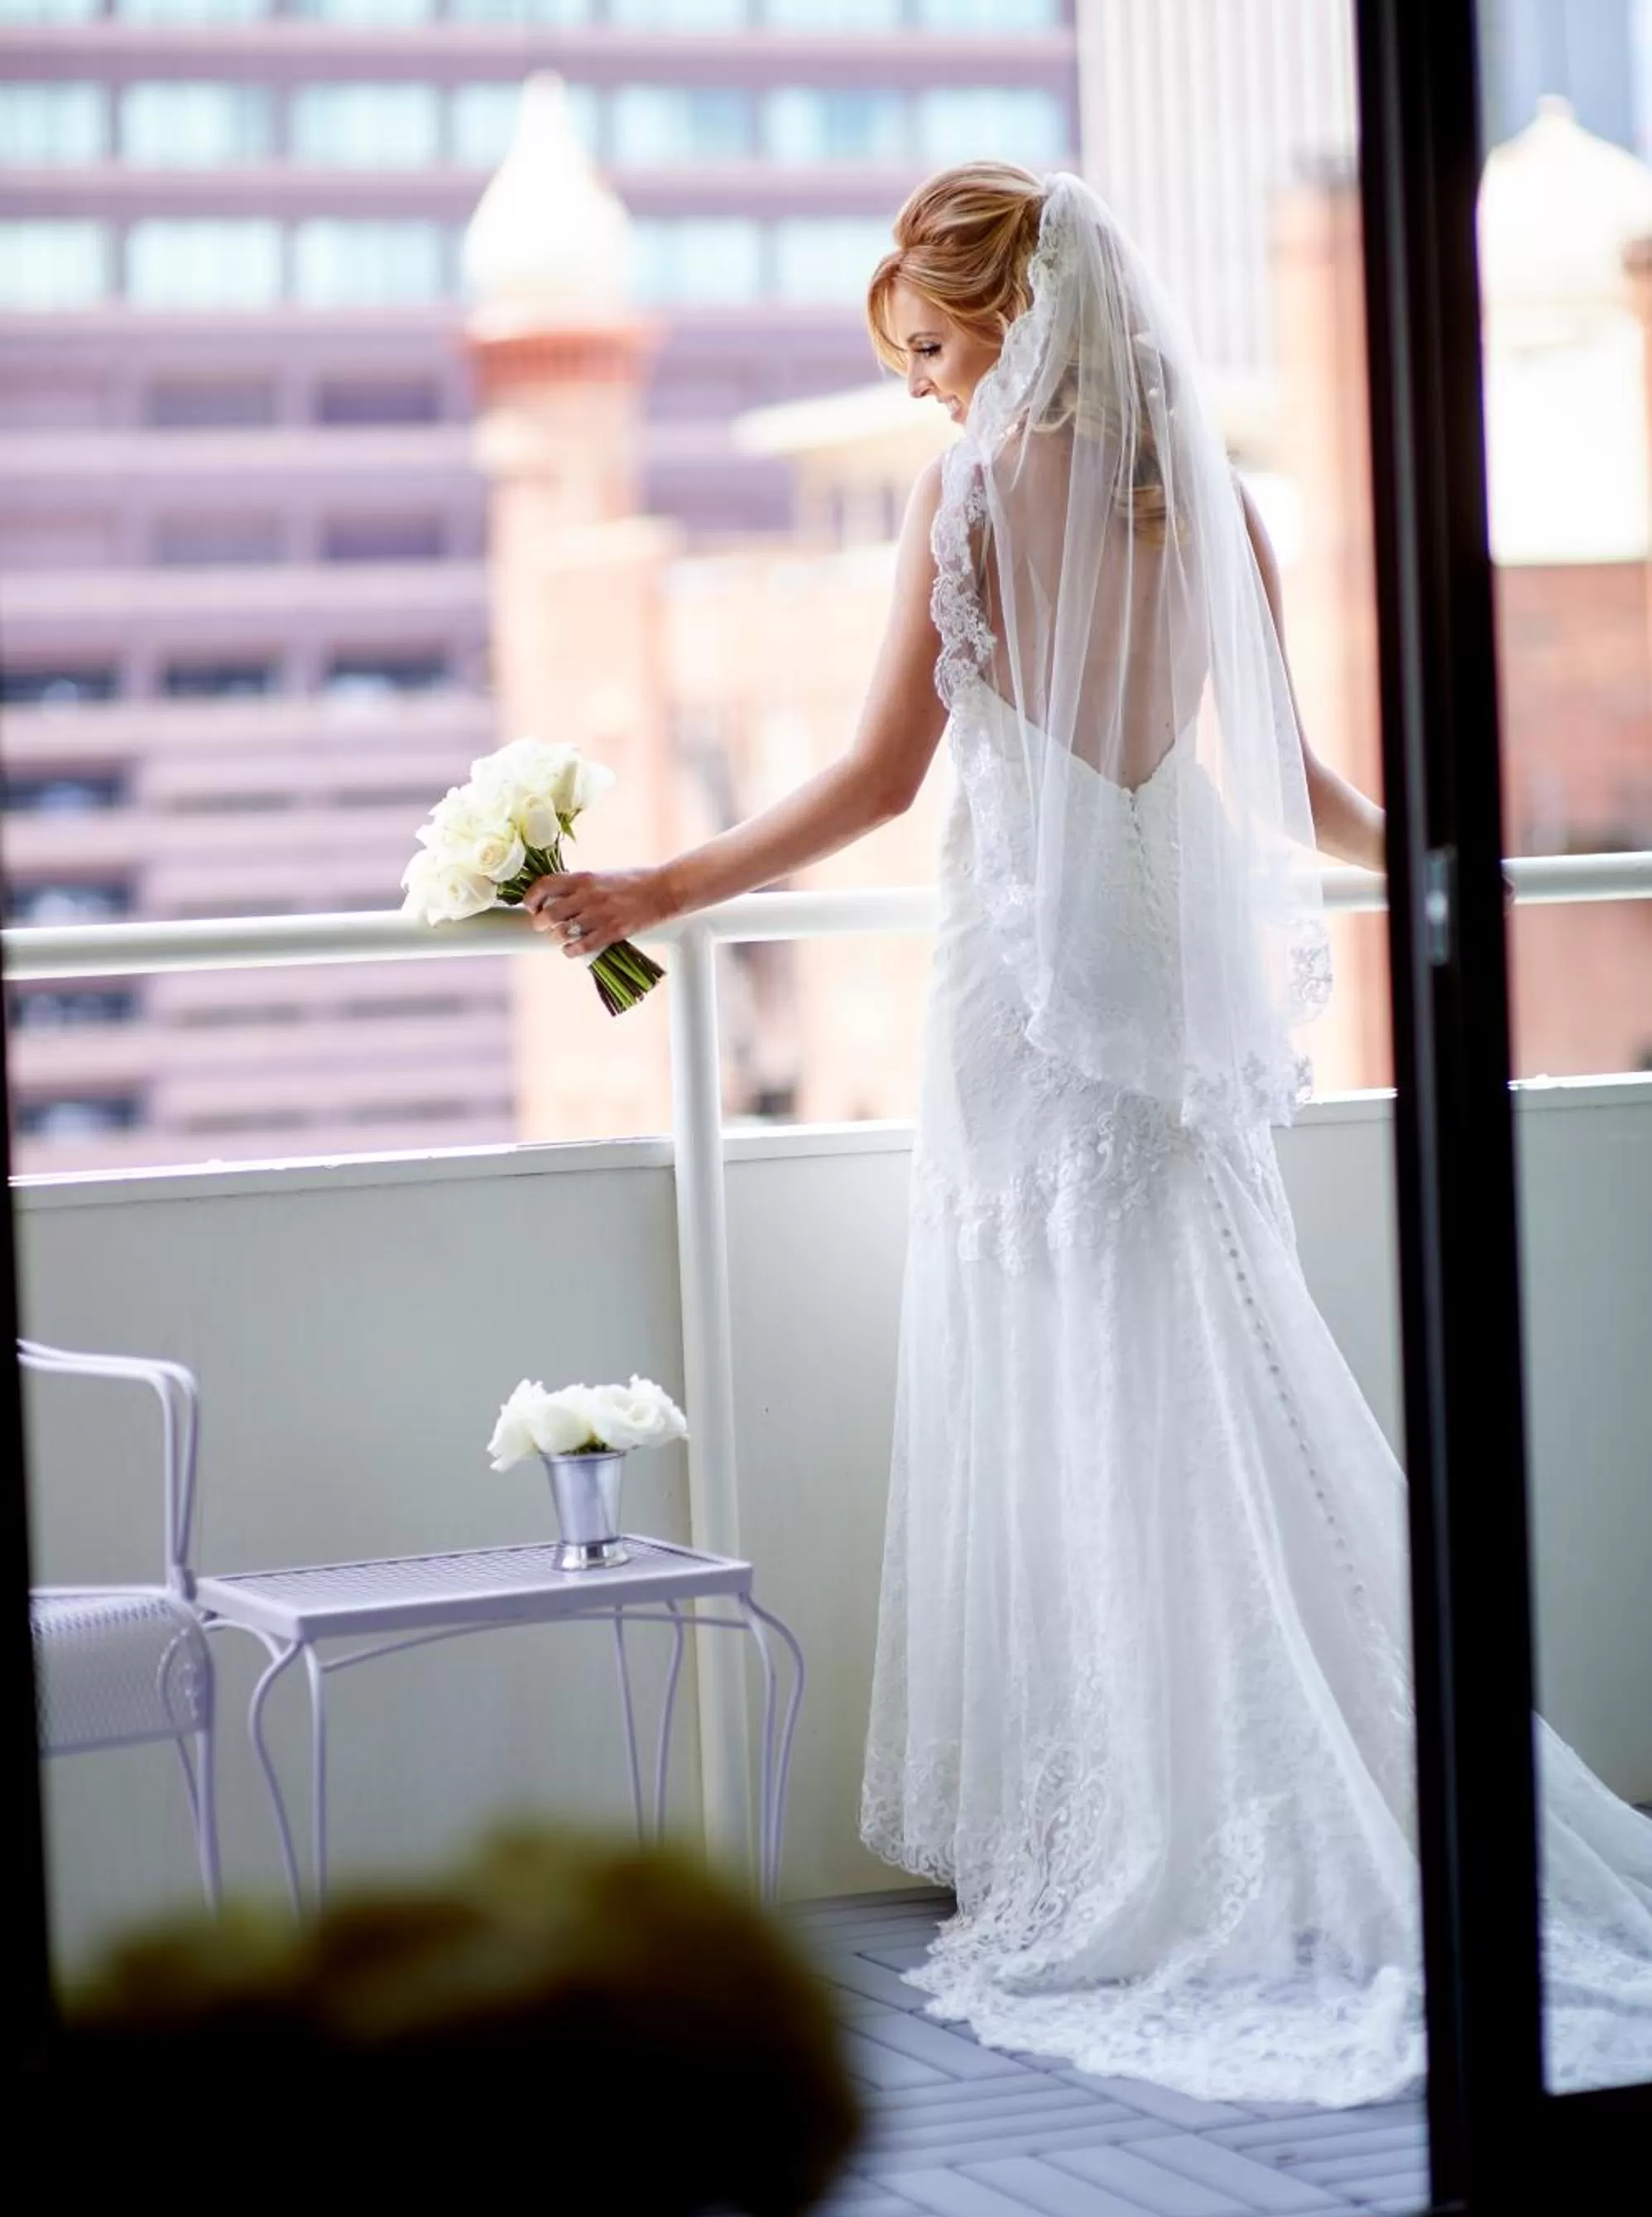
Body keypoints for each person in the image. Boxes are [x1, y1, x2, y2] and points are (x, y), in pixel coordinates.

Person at [525, 163, 1652, 2106]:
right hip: (1162, 960)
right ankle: (1264, 1790)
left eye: (932, 350)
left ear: (1010, 317)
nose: (922, 395)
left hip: (1025, 992)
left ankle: (1157, 1817)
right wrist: (1449, 869)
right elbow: (1293, 788)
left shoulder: (971, 495)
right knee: (1202, 1366)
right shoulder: (1207, 498)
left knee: (1071, 1383)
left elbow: (878, 781)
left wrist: (656, 884)